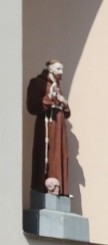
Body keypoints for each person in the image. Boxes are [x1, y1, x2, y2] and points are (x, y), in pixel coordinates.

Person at [27, 61, 70, 195]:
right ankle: (47, 187)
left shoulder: (56, 86)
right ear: (50, 69)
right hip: (48, 126)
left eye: (62, 69)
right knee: (48, 156)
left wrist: (64, 103)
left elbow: (67, 112)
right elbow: (32, 106)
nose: (61, 72)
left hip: (59, 127)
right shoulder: (38, 83)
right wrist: (49, 98)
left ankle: (59, 190)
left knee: (59, 156)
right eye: (58, 69)